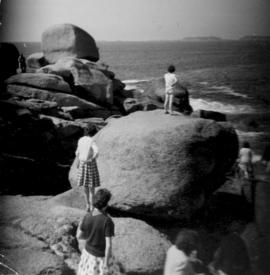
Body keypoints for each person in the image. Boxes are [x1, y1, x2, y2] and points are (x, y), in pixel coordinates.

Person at [76, 188, 124, 275]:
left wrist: (85, 230)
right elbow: (108, 246)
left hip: (88, 254)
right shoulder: (107, 221)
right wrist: (106, 264)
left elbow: (79, 236)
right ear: (106, 205)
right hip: (101, 257)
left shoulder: (87, 216)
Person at [76, 126, 100, 212]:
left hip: (82, 163)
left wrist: (79, 162)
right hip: (90, 164)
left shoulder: (80, 140)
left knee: (85, 186)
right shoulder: (91, 140)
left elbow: (77, 152)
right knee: (91, 187)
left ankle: (87, 205)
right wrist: (92, 158)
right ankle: (92, 207)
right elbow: (96, 151)